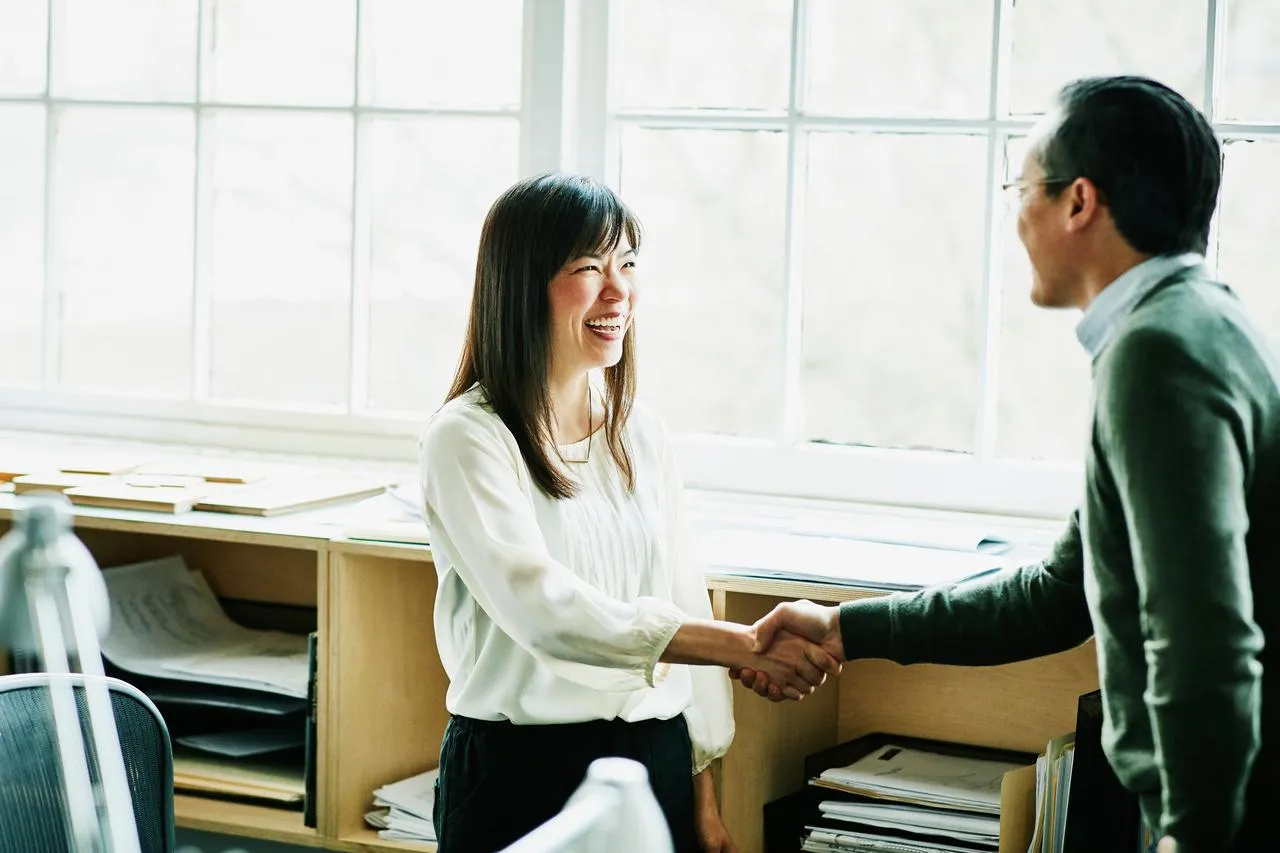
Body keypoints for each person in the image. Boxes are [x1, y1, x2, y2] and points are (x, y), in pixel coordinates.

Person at [737, 76, 1278, 853]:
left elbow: (1203, 641)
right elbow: (1059, 593)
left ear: (1078, 202)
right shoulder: (1206, 324)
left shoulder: (1158, 357)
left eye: (1021, 187)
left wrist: (1190, 838)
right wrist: (842, 627)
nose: (1016, 214)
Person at [419, 172, 840, 853]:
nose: (619, 291)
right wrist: (742, 644)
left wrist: (702, 796)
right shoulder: (467, 437)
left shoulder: (640, 432)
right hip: (523, 774)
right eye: (589, 268)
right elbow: (545, 610)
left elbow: (680, 595)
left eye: (629, 264)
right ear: (521, 284)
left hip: (657, 760)